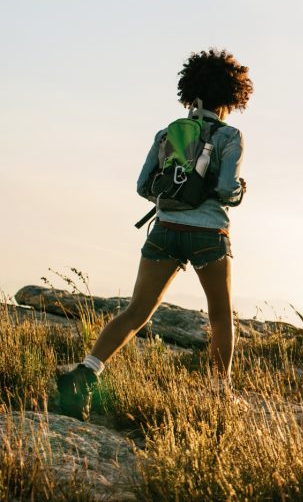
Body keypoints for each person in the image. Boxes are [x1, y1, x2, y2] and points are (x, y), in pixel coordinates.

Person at [56, 49, 252, 420]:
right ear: (232, 96)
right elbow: (227, 190)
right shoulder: (230, 136)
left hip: (164, 230)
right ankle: (220, 394)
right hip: (209, 234)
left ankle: (87, 372)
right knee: (221, 318)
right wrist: (240, 190)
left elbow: (144, 186)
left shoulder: (167, 133)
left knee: (136, 312)